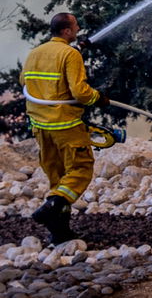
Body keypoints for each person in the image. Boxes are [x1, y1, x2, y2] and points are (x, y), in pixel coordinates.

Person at [21, 12, 108, 244]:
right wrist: (98, 98)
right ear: (67, 31)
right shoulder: (70, 54)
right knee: (80, 169)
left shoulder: (35, 53)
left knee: (58, 178)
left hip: (40, 127)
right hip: (65, 125)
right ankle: (53, 205)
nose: (78, 28)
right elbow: (79, 92)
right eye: (76, 25)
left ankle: (59, 232)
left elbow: (24, 82)